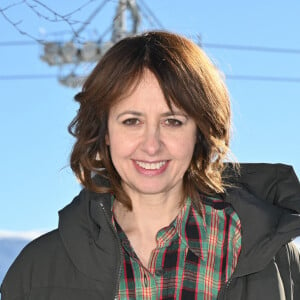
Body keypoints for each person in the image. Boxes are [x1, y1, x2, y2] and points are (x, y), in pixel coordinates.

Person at [1, 31, 300, 300]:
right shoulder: (37, 272)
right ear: (104, 132)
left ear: (200, 131)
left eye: (172, 121)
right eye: (132, 121)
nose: (151, 145)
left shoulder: (275, 260)